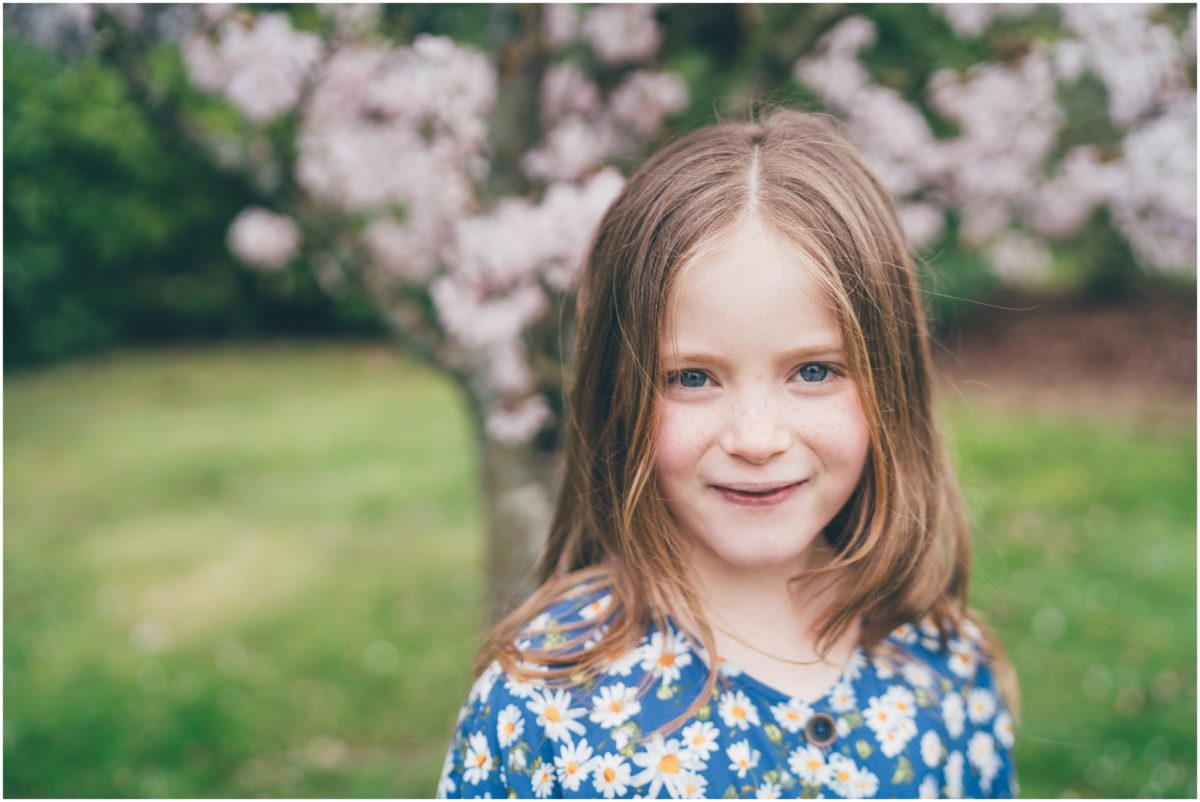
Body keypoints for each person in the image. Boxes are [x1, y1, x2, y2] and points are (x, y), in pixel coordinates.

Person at [437, 109, 1018, 799]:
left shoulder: (945, 669)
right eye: (692, 377)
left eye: (813, 371)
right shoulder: (542, 707)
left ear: (888, 384)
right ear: (616, 397)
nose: (756, 438)